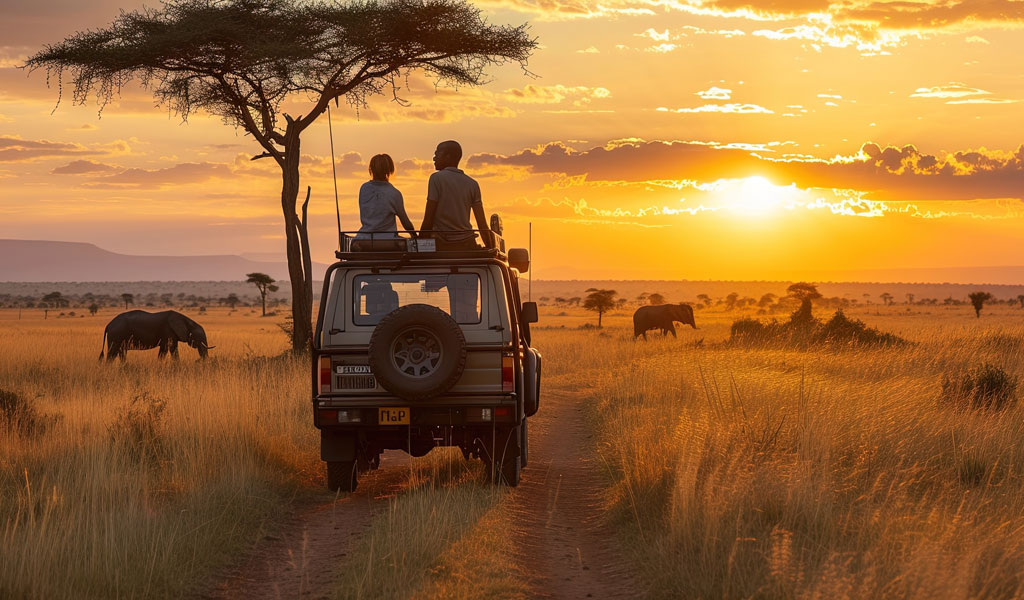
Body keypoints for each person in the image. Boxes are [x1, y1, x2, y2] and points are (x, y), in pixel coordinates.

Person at [420, 140, 493, 250]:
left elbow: (428, 218)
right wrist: (490, 248)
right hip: (467, 244)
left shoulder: (436, 178)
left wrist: (420, 245)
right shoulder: (472, 184)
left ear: (448, 157)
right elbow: (482, 224)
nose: (434, 158)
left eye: (437, 154)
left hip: (441, 244)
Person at [355, 154, 415, 246]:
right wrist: (414, 235)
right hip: (387, 241)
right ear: (390, 170)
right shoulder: (394, 193)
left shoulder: (364, 188)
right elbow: (405, 222)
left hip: (363, 239)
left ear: (371, 169)